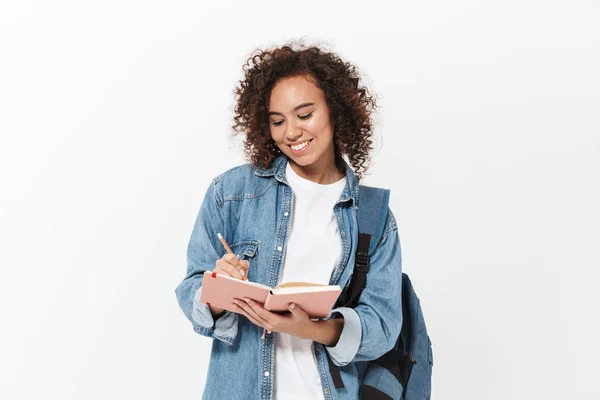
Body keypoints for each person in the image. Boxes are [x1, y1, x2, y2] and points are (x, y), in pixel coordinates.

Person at [175, 42, 403, 400]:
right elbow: (191, 290)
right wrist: (219, 290)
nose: (291, 132)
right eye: (277, 121)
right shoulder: (232, 192)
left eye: (305, 114)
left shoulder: (372, 215)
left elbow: (384, 325)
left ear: (335, 111)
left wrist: (314, 329)